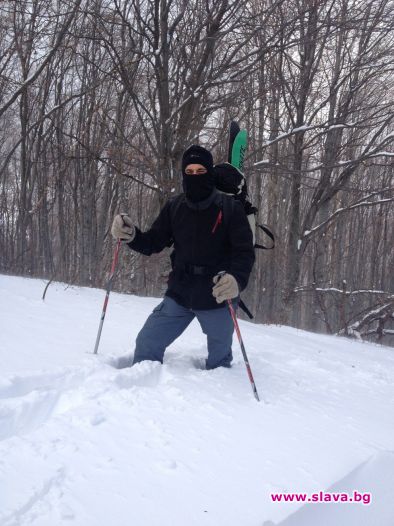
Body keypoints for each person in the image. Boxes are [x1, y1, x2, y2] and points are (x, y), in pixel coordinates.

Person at [111, 145, 255, 369]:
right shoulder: (175, 207)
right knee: (147, 343)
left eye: (200, 171)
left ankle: (220, 401)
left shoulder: (229, 208)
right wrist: (131, 235)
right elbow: (153, 242)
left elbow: (244, 253)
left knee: (220, 363)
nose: (195, 176)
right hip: (181, 293)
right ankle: (141, 393)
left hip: (217, 296)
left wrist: (236, 280)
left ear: (209, 172)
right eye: (190, 172)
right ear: (183, 174)